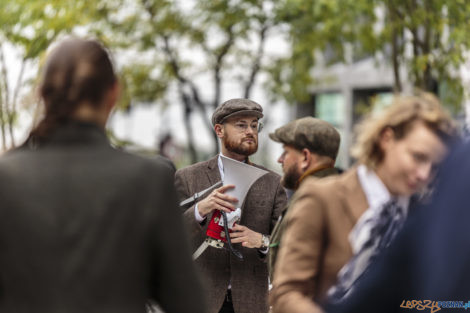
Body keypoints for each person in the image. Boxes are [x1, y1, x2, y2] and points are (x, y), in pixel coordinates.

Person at [0, 38, 205, 313]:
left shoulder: (7, 177)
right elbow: (187, 302)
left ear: (42, 94)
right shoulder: (148, 179)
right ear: (113, 93)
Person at [269, 92, 456, 313]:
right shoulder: (323, 197)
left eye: (434, 167)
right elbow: (286, 294)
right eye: (418, 157)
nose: (425, 174)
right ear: (386, 139)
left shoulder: (427, 215)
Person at [175, 98, 287, 313]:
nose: (250, 131)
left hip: (251, 302)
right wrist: (200, 209)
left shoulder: (273, 182)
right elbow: (170, 236)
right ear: (219, 130)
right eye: (241, 125)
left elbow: (287, 244)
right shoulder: (188, 177)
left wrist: (262, 241)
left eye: (254, 125)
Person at [267, 116, 341, 281]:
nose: (280, 159)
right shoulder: (330, 194)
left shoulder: (314, 201)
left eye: (286, 152)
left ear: (305, 158)